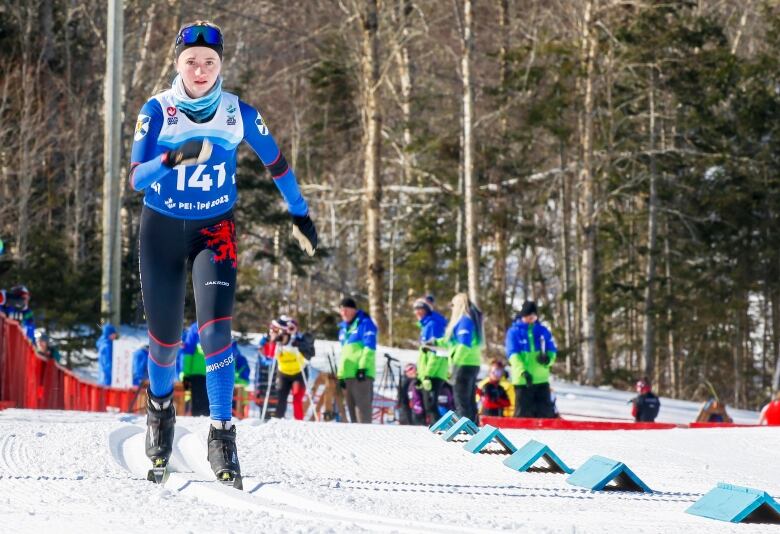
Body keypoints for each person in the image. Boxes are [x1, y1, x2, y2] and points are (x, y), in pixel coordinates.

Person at [128, 20, 319, 484]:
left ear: (220, 66)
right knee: (166, 342)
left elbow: (276, 162)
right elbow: (136, 179)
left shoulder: (238, 113)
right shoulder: (158, 110)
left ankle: (222, 435)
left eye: (209, 62)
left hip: (215, 232)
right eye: (191, 61)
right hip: (163, 231)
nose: (200, 70)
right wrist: (173, 157)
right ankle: (159, 413)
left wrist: (301, 214)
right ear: (178, 63)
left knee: (216, 333)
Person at [505, 301, 558, 418]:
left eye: (534, 316)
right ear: (523, 315)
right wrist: (522, 372)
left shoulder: (543, 331)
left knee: (546, 415)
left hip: (542, 380)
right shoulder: (513, 332)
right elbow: (513, 355)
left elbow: (552, 350)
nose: (531, 318)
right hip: (523, 381)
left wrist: (548, 360)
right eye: (529, 315)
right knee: (523, 415)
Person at [438, 293, 483, 423]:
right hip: (472, 363)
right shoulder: (469, 320)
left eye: (452, 305)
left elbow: (463, 344)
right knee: (469, 399)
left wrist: (454, 363)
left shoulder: (464, 321)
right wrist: (436, 342)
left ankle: (465, 428)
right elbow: (453, 341)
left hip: (464, 364)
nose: (452, 308)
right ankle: (473, 426)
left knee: (462, 400)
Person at [337, 297, 378, 424]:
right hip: (348, 375)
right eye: (341, 310)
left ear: (354, 310)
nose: (344, 313)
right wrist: (341, 375)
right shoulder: (343, 329)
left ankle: (366, 441)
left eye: (347, 310)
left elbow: (369, 347)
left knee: (362, 413)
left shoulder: (364, 323)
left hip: (361, 375)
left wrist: (362, 367)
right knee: (352, 416)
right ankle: (356, 442)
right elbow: (345, 354)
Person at [413, 297, 448, 424]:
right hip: (428, 373)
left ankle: (441, 433)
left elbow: (437, 352)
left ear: (427, 310)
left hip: (434, 372)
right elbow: (424, 354)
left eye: (420, 309)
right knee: (429, 406)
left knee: (431, 406)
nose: (417, 312)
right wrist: (420, 375)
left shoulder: (433, 325)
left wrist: (428, 374)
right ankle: (437, 432)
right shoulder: (426, 325)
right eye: (415, 309)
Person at [269, 317, 308, 420]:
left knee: (297, 399)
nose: (283, 338)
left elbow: (308, 354)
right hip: (284, 374)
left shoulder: (296, 341)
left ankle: (299, 422)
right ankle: (278, 421)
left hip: (298, 373)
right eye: (282, 335)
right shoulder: (278, 343)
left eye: (285, 335)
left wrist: (298, 346)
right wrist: (273, 341)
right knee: (281, 398)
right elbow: (270, 356)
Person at [180, 321, 209, 416]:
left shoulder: (195, 328)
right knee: (204, 399)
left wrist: (185, 372)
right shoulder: (215, 324)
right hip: (208, 371)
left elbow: (188, 351)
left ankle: (195, 415)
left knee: (194, 398)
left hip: (195, 372)